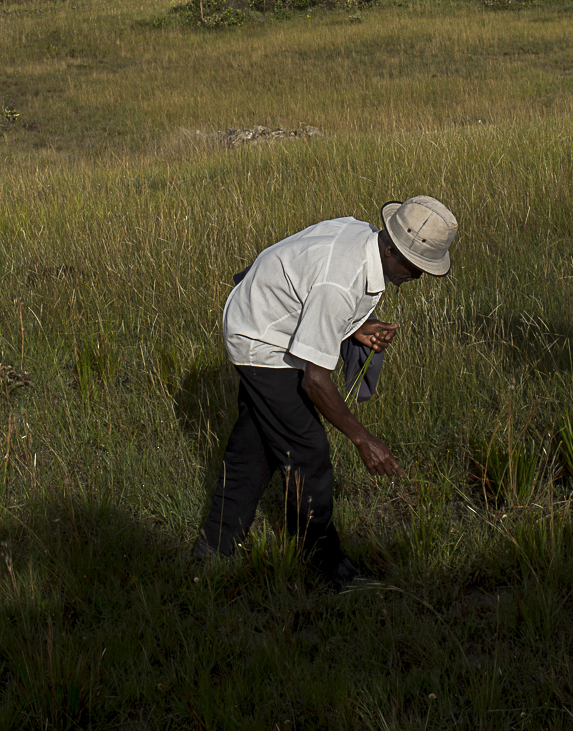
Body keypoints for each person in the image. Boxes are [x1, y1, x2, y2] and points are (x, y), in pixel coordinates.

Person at [193, 196, 459, 585]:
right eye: (415, 267)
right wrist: (363, 439)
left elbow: (310, 291)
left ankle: (210, 553)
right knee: (308, 450)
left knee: (253, 451)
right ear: (390, 249)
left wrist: (354, 327)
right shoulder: (342, 278)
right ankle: (326, 567)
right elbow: (314, 380)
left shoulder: (363, 239)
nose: (417, 277)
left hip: (268, 316)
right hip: (262, 339)